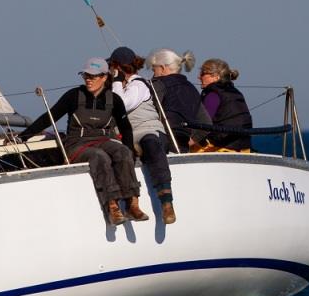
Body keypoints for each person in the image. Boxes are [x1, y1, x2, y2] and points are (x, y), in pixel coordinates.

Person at [17, 57, 147, 226]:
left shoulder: (114, 100)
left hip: (103, 139)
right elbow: (49, 117)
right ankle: (112, 206)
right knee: (99, 156)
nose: (88, 79)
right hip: (77, 144)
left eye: (93, 76)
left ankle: (132, 203)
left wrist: (130, 150)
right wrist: (23, 137)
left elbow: (126, 128)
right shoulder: (73, 95)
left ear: (104, 77)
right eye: (85, 75)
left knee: (122, 152)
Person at [108, 47, 176, 224]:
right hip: (126, 135)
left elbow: (121, 103)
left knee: (150, 143)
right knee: (119, 153)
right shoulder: (114, 88)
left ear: (117, 67)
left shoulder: (138, 84)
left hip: (148, 129)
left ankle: (166, 202)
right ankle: (130, 203)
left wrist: (116, 81)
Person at [145, 48, 212, 152]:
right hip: (182, 145)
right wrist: (190, 140)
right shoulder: (191, 88)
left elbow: (147, 112)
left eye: (154, 70)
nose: (153, 75)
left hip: (159, 143)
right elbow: (206, 123)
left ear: (162, 68)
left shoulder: (158, 85)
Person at [196, 58, 253, 152]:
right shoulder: (235, 92)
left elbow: (203, 123)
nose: (199, 77)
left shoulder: (213, 94)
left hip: (221, 146)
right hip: (244, 147)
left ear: (216, 77)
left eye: (202, 73)